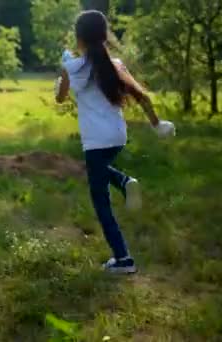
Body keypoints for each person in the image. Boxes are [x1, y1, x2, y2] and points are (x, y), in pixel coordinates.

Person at [55, 10, 175, 274]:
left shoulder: (72, 67)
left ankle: (123, 260)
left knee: (101, 202)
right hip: (118, 137)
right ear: (104, 35)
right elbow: (142, 96)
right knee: (96, 168)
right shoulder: (116, 64)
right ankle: (123, 181)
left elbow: (60, 98)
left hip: (95, 141)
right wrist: (157, 125)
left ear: (79, 38)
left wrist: (64, 70)